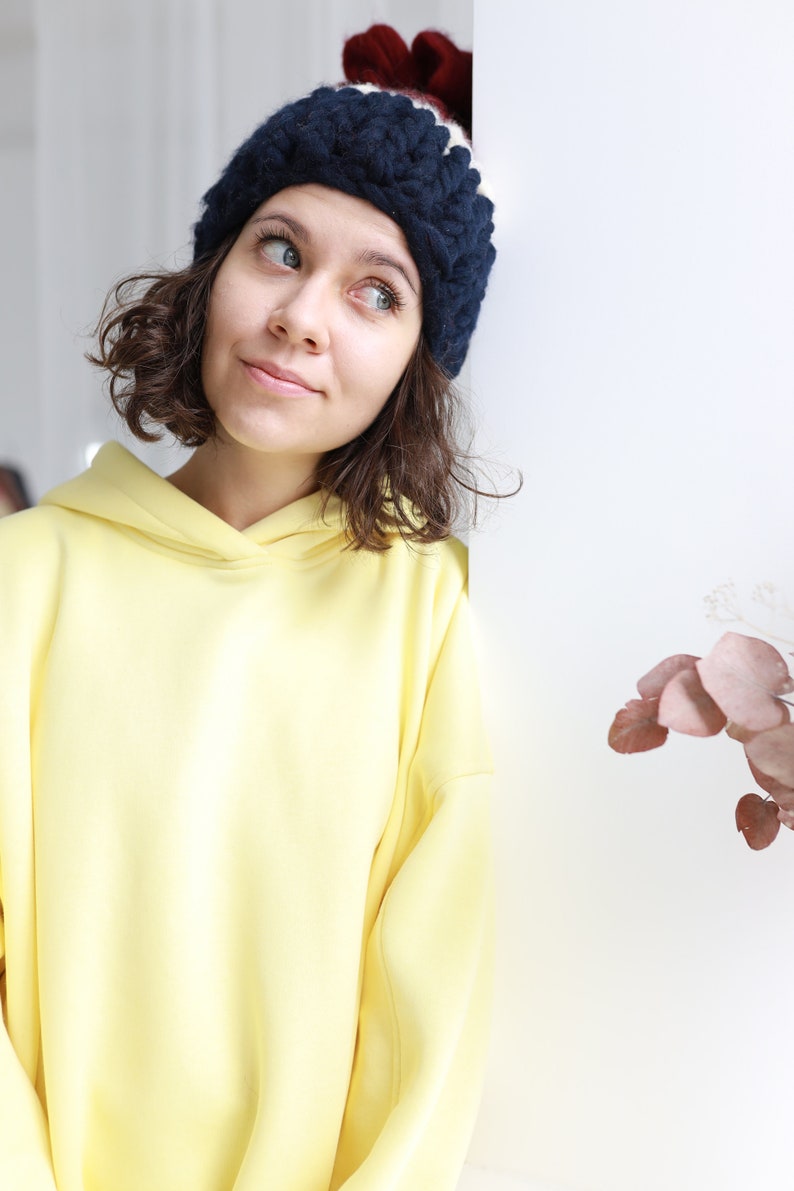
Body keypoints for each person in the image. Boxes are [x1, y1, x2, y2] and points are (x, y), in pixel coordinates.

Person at [0, 24, 500, 1191]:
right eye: (280, 250)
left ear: (417, 363)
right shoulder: (26, 577)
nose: (304, 316)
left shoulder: (424, 613)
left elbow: (428, 1021)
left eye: (377, 291)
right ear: (213, 267)